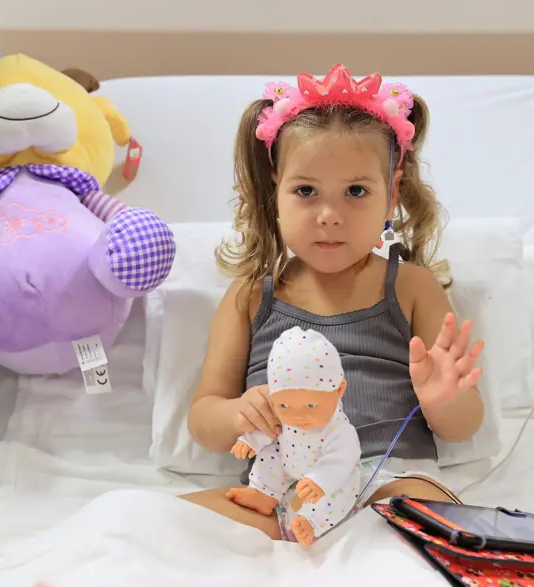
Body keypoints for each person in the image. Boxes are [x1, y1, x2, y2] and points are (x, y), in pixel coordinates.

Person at [179, 63, 485, 543]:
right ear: (276, 191)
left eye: (356, 191)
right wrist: (237, 412)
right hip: (277, 489)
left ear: (391, 194)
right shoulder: (250, 294)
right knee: (147, 521)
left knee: (435, 527)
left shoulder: (411, 287)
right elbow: (203, 418)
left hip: (387, 480)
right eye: (306, 191)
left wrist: (444, 401)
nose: (329, 215)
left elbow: (463, 427)